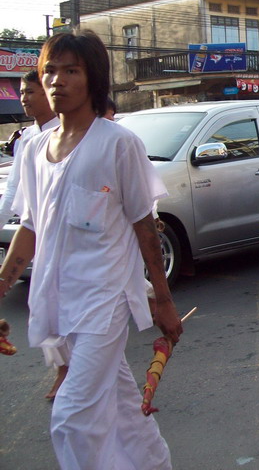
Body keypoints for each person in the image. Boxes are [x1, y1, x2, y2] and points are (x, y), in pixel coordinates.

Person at [0, 30, 181, 470]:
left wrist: (163, 298)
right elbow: (30, 228)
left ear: (92, 79)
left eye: (71, 71)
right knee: (121, 404)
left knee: (72, 418)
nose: (56, 80)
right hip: (59, 300)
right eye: (50, 71)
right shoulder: (33, 149)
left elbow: (144, 226)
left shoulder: (118, 144)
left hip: (106, 301)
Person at [0, 70, 64, 398]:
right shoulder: (29, 140)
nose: (24, 97)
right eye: (22, 92)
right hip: (45, 246)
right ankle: (65, 372)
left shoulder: (98, 137)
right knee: (46, 311)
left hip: (89, 259)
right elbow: (22, 204)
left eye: (31, 91)